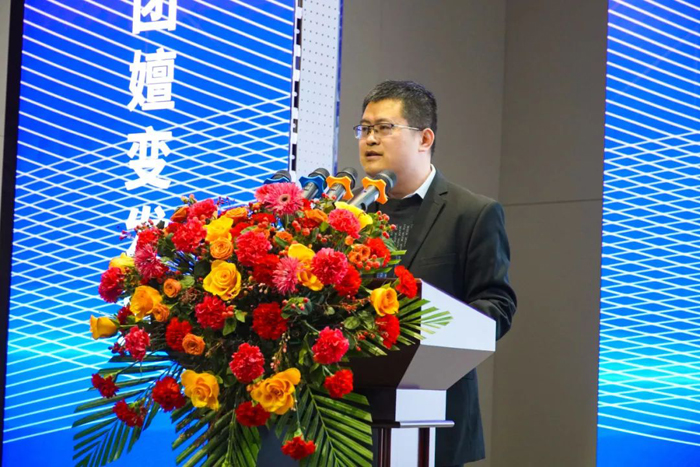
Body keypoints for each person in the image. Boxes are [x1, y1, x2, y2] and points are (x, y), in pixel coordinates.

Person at [355, 80, 517, 466]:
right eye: (364, 128)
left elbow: (496, 304)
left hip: (433, 415)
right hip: (347, 421)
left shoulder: (471, 213)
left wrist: (432, 335)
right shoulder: (348, 215)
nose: (370, 139)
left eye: (384, 127)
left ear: (424, 138)